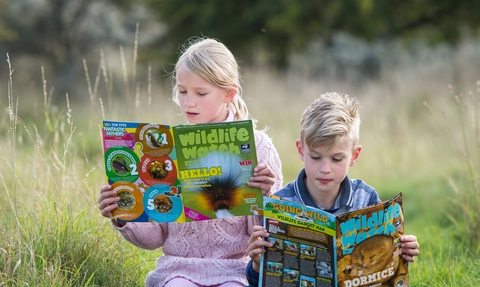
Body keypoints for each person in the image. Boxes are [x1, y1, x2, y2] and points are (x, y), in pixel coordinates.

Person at [97, 37, 283, 287]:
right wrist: (123, 214)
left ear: (229, 93)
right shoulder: (167, 151)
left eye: (200, 93)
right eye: (182, 91)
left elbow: (269, 235)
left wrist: (265, 194)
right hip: (177, 271)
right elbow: (154, 238)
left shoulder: (259, 147)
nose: (188, 102)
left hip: (234, 271)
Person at [245, 92, 420, 286]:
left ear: (354, 156)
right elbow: (263, 280)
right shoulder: (280, 204)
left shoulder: (366, 198)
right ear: (301, 150)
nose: (325, 169)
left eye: (336, 159)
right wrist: (257, 265)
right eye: (316, 157)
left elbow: (384, 269)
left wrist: (401, 252)